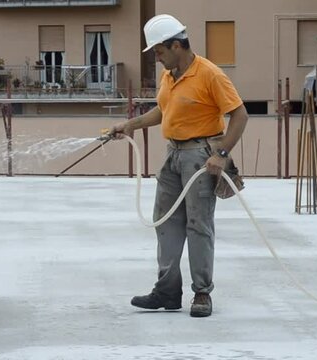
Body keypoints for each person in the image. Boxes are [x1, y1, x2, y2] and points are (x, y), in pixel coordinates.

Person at [109, 14, 248, 317]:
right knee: (165, 222)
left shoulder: (209, 74)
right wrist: (130, 124)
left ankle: (202, 293)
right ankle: (168, 292)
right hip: (173, 155)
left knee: (198, 224)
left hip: (201, 156)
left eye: (159, 52)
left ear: (176, 45)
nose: (157, 59)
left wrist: (221, 153)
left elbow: (240, 115)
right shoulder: (169, 75)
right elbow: (163, 110)